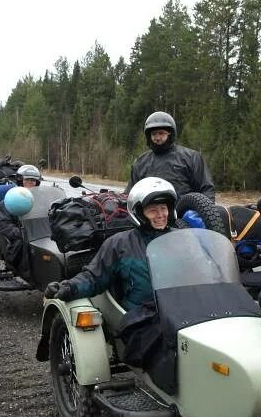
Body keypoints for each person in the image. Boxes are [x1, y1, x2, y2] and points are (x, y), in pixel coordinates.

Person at [45, 177, 178, 311]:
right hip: (141, 316)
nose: (161, 215)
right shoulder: (121, 243)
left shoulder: (180, 238)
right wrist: (69, 287)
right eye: (153, 210)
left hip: (179, 311)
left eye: (163, 208)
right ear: (139, 213)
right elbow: (94, 278)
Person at [126, 111, 216, 202]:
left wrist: (205, 209)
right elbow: (130, 195)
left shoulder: (191, 157)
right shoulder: (140, 163)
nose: (157, 138)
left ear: (170, 134)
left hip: (183, 210)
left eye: (161, 133)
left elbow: (206, 189)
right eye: (154, 134)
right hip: (150, 210)